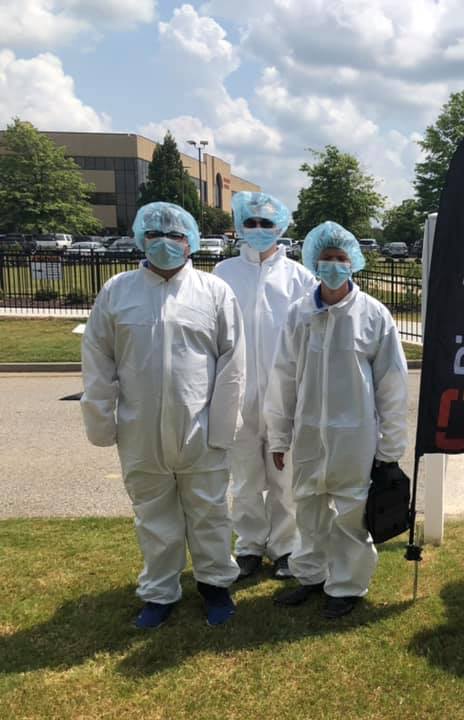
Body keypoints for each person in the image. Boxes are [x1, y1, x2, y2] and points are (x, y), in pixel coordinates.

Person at [80, 201, 246, 629]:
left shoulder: (213, 292)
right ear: (140, 239)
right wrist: (102, 421)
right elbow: (98, 360)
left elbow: (233, 364)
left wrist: (223, 427)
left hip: (200, 429)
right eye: (154, 234)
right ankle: (159, 592)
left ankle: (215, 586)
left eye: (175, 235)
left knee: (210, 512)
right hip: (140, 431)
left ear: (190, 241)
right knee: (154, 518)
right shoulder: (119, 291)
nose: (165, 243)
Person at [265, 221, 408, 618]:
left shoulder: (373, 316)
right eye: (326, 259)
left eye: (340, 259)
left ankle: (345, 586)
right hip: (309, 433)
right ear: (314, 262)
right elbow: (282, 378)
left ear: (353, 263)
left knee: (350, 515)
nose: (332, 266)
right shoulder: (300, 314)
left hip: (355, 437)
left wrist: (390, 447)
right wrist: (278, 436)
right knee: (308, 509)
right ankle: (310, 576)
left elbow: (392, 386)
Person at [213, 192, 315, 582]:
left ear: (281, 227)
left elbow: (308, 339)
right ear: (239, 226)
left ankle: (287, 547)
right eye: (250, 223)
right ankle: (250, 545)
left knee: (285, 478)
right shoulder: (223, 274)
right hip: (237, 394)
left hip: (283, 396)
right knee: (245, 478)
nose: (257, 231)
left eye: (266, 224)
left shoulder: (299, 278)